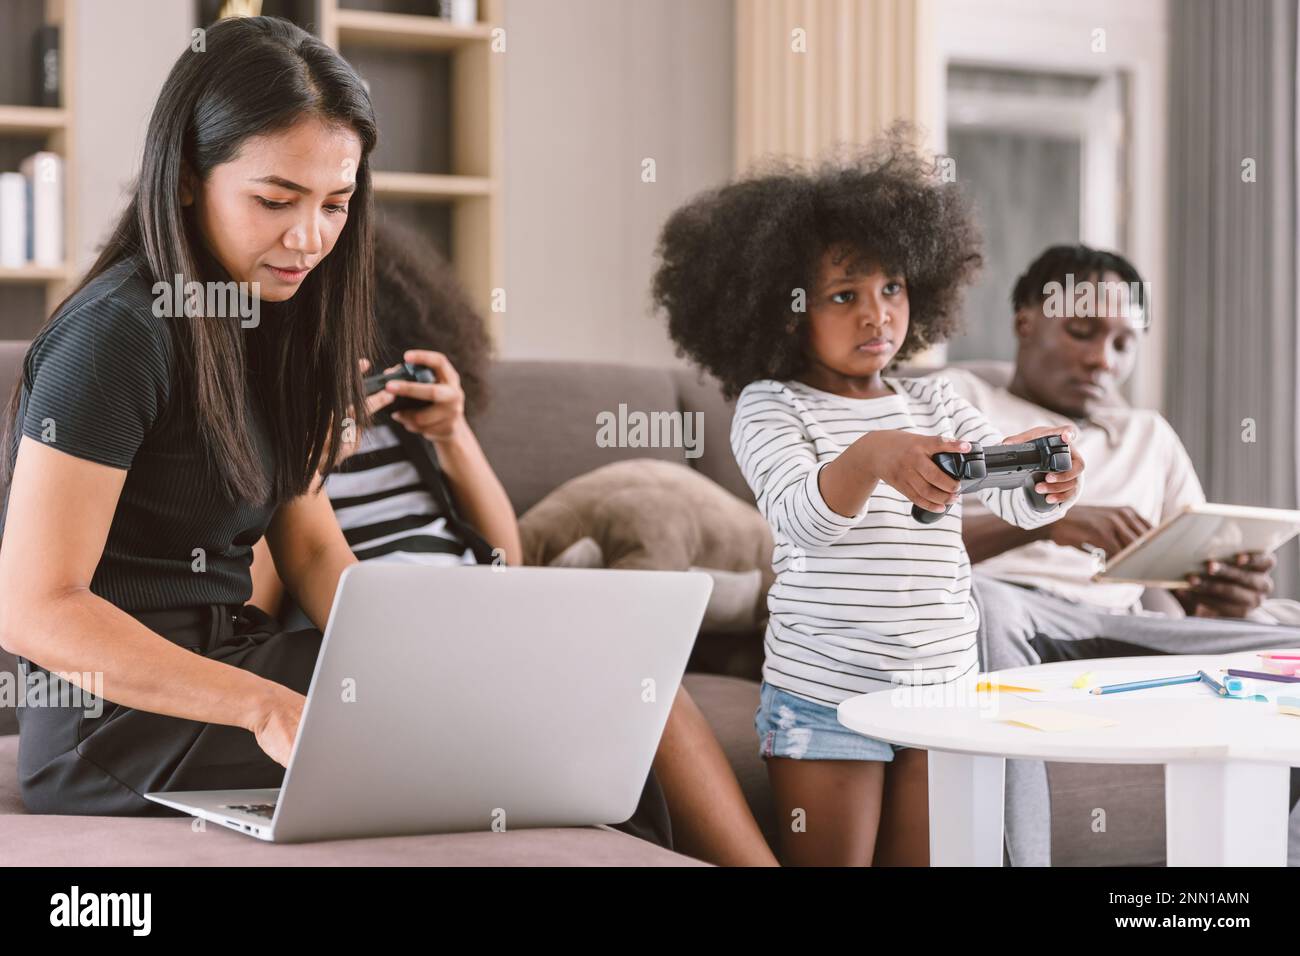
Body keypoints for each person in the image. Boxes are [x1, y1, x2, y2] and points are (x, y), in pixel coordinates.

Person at [247, 220, 779, 866]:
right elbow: (261, 602)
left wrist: (453, 434)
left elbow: (508, 561)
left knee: (646, 681)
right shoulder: (279, 446)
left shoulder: (408, 434)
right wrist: (300, 464)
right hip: (387, 641)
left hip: (486, 615)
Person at [651, 132, 1086, 866]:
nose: (876, 314)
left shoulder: (938, 400)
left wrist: (1051, 481)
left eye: (892, 289)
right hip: (826, 697)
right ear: (786, 313)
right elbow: (799, 519)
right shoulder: (772, 406)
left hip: (942, 693)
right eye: (843, 296)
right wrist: (872, 455)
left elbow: (1014, 503)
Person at [0, 16, 385, 814]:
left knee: (526, 713)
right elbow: (33, 607)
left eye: (335, 204)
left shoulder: (279, 321)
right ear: (184, 177)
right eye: (276, 199)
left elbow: (310, 548)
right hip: (107, 728)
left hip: (230, 658)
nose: (309, 238)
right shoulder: (116, 334)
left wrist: (413, 653)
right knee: (439, 746)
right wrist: (263, 705)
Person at [948, 243, 1300, 866]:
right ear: (1025, 320)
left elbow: (1191, 561)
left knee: (1287, 636)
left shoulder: (1149, 435)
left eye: (1121, 343)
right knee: (983, 605)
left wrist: (1226, 590)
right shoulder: (957, 400)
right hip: (1009, 611)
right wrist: (1044, 523)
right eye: (1081, 331)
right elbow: (914, 542)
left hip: (1118, 630)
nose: (1099, 360)